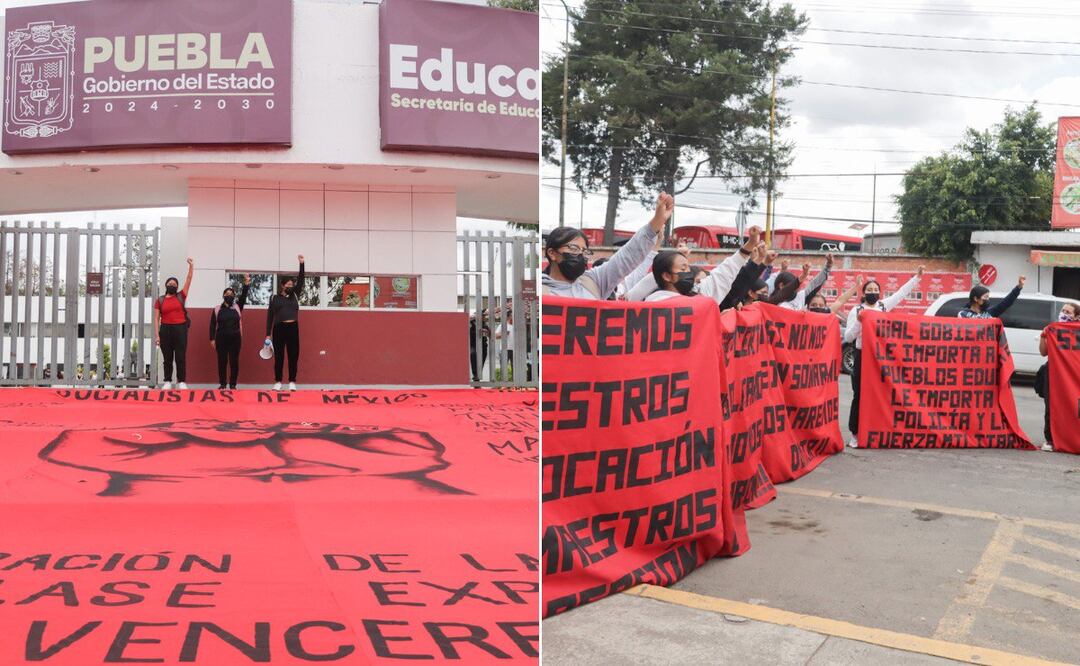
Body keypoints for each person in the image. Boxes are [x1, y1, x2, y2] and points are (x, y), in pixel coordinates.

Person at [843, 266, 924, 448]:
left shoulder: (882, 306)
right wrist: (860, 321)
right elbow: (848, 337)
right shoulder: (856, 310)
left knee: (880, 394)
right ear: (863, 293)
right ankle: (855, 433)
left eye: (876, 290)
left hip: (880, 357)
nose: (873, 292)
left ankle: (876, 430)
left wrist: (917, 278)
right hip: (862, 355)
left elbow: (900, 294)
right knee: (859, 394)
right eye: (869, 290)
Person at [542, 192, 674, 299]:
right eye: (574, 248)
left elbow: (627, 256)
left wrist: (657, 222)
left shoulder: (594, 282)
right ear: (552, 253)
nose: (581, 255)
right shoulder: (540, 292)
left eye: (585, 251)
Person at [1037, 302, 1080, 452]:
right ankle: (1050, 439)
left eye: (1068, 312)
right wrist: (1044, 335)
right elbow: (1043, 352)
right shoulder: (1055, 329)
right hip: (1055, 373)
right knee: (1052, 405)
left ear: (1076, 316)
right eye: (1063, 310)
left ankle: (1073, 437)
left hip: (1075, 374)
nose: (1064, 314)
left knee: (1075, 407)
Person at [266, 255, 305, 391]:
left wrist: (301, 264)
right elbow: (270, 316)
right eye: (288, 285)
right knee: (279, 356)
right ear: (282, 285)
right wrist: (267, 334)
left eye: (291, 285)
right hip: (279, 328)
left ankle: (292, 381)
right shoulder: (274, 298)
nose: (290, 287)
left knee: (293, 354)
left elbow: (301, 280)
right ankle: (278, 381)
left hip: (293, 327)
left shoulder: (295, 295)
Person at [154, 257, 194, 390]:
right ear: (166, 285)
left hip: (180, 328)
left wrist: (191, 266)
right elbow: (156, 319)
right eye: (170, 283)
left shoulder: (181, 296)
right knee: (167, 357)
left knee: (180, 356)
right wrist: (157, 335)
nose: (172, 285)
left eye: (174, 284)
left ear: (177, 287)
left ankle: (181, 381)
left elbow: (188, 279)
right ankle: (167, 381)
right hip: (165, 329)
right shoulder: (160, 300)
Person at [209, 274, 251, 389]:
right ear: (223, 296)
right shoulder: (217, 308)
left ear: (234, 296)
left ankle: (233, 384)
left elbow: (243, 296)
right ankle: (222, 384)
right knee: (222, 362)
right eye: (227, 294)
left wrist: (246, 284)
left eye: (231, 294)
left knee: (234, 362)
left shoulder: (238, 306)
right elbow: (212, 324)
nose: (229, 295)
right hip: (221, 338)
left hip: (235, 338)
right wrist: (212, 339)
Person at [958, 276, 1025, 318]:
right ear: (976, 299)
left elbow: (1006, 303)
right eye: (985, 297)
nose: (987, 300)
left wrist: (1019, 287)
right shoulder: (963, 314)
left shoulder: (990, 312)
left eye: (988, 298)